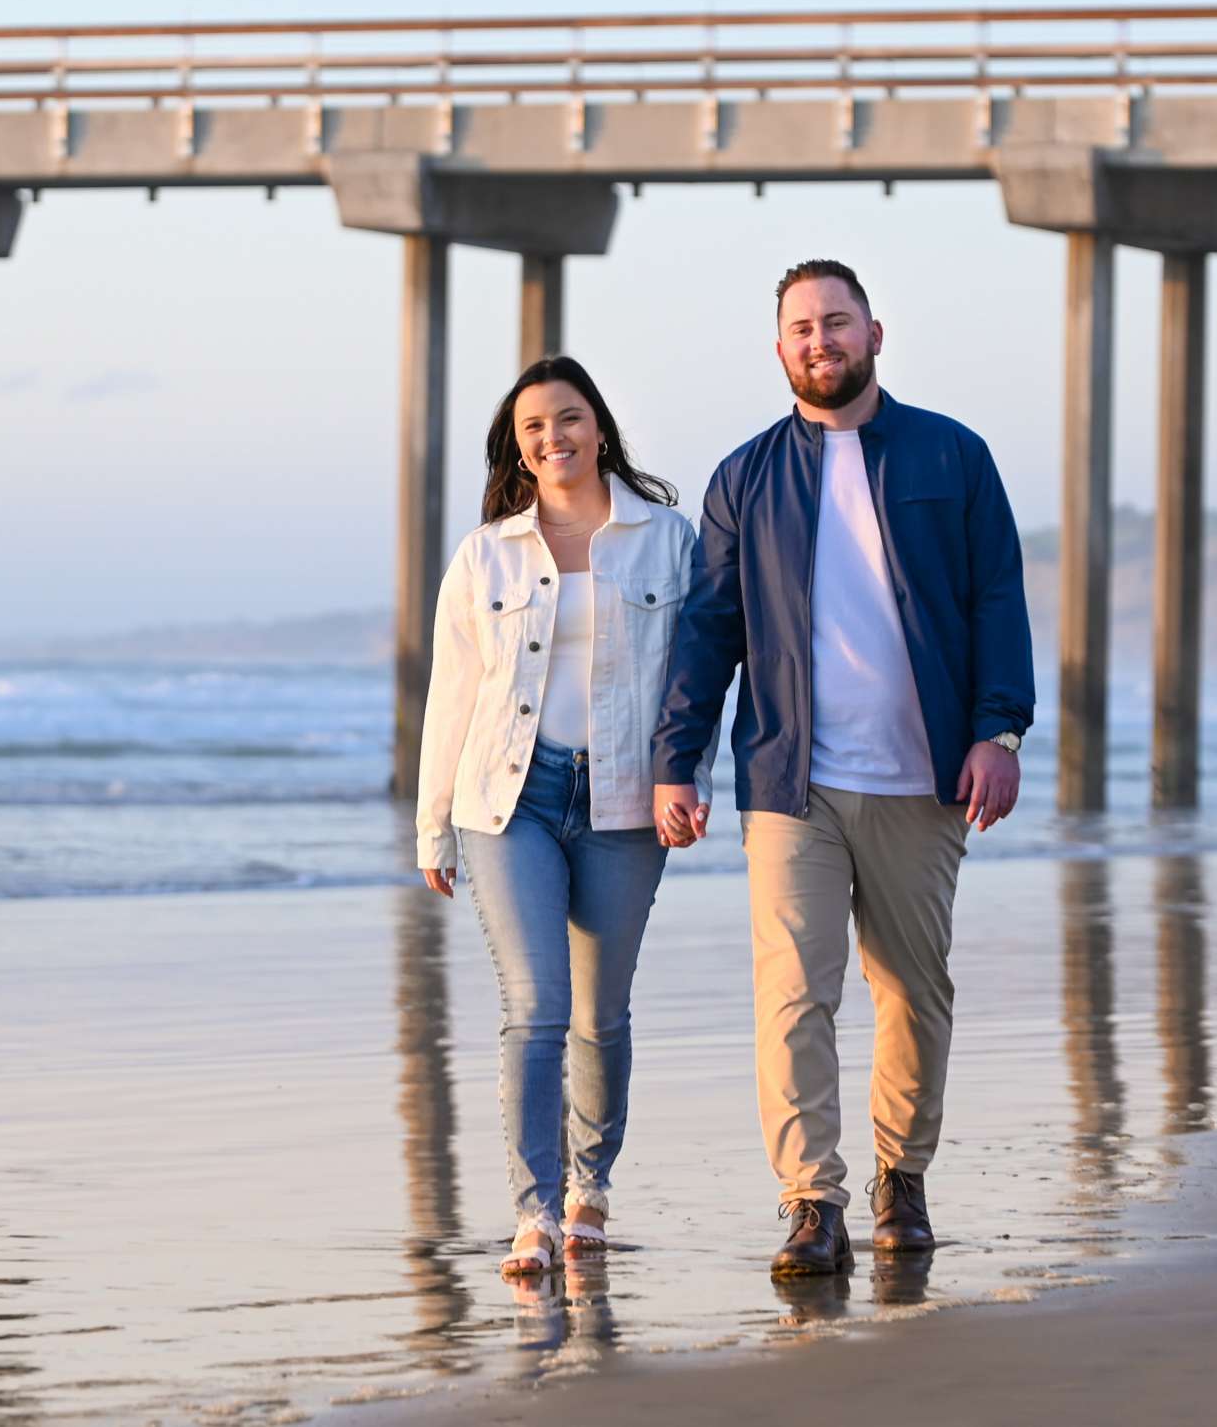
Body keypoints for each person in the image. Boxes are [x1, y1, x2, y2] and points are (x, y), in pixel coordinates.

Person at [650, 259, 1034, 1276]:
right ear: (780, 350)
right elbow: (709, 628)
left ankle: (900, 1178)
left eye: (836, 322)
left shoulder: (954, 456)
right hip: (791, 781)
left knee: (913, 988)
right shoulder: (744, 478)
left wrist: (999, 730)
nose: (819, 341)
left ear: (873, 334)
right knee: (793, 993)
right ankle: (811, 1201)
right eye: (800, 329)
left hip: (922, 777)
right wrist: (675, 758)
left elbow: (998, 594)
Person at [415, 356, 706, 1278]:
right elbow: (451, 695)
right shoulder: (486, 553)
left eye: (569, 419)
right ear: (519, 446)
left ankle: (591, 1190)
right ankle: (534, 1210)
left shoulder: (666, 538)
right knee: (535, 1005)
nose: (554, 438)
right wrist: (432, 827)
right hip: (509, 798)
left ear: (600, 428)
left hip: (625, 800)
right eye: (534, 427)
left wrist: (685, 774)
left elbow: (698, 681)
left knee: (599, 1012)